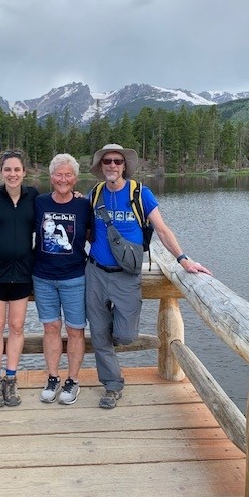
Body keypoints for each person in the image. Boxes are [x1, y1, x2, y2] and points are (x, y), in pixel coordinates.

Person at [87, 143, 212, 409]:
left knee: (126, 335)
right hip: (95, 272)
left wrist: (183, 259)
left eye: (117, 162)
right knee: (98, 336)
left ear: (124, 166)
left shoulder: (140, 194)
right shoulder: (94, 194)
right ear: (101, 167)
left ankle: (107, 330)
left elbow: (163, 230)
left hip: (127, 275)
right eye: (107, 161)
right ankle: (112, 385)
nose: (112, 166)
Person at [33, 154, 91, 405]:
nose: (63, 179)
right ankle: (53, 377)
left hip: (75, 277)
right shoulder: (39, 202)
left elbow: (93, 236)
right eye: (59, 174)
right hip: (43, 277)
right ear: (51, 177)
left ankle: (73, 380)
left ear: (75, 179)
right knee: (51, 327)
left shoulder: (83, 205)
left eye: (68, 175)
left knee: (75, 330)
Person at [0, 150, 39, 407]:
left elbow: (57, 207)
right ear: (1, 172)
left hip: (24, 271)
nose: (12, 174)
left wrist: (78, 197)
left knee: (16, 327)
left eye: (17, 170)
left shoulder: (34, 197)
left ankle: (11, 378)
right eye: (7, 170)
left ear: (24, 172)